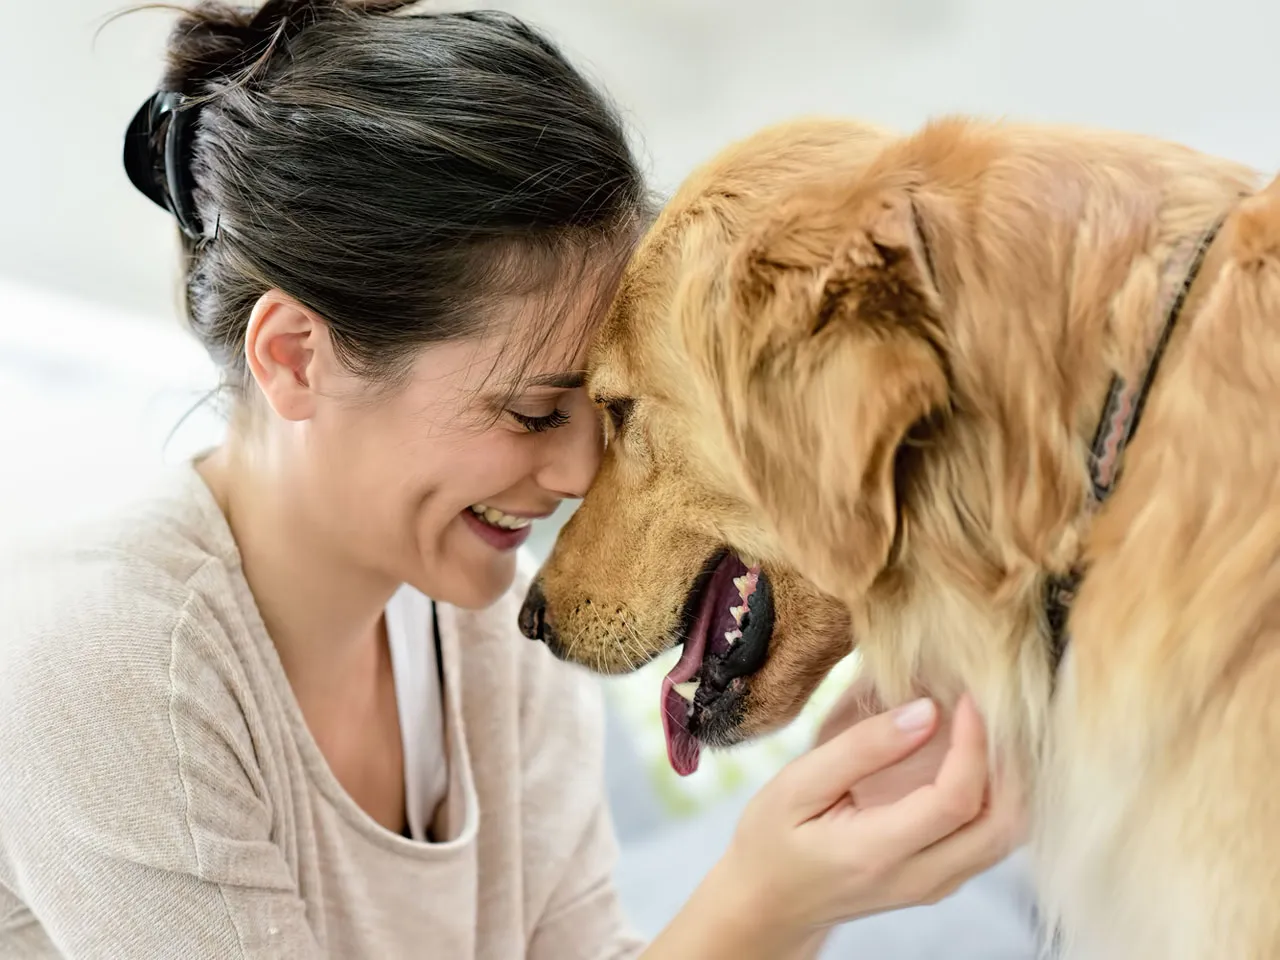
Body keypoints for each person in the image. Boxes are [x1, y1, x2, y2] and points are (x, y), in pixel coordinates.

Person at [0, 2, 1023, 957]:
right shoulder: (107, 671)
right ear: (296, 357)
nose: (582, 473)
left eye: (608, 411)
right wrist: (762, 903)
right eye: (534, 412)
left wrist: (815, 859)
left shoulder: (493, 654)